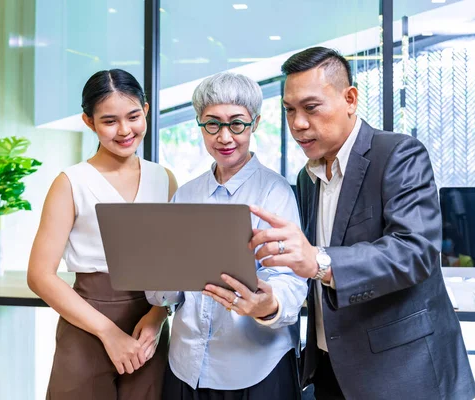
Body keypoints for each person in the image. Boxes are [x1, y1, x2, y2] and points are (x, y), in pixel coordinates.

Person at [249, 47, 475, 400]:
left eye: (311, 108)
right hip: (330, 369)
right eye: (289, 110)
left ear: (350, 99)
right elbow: (309, 268)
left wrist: (319, 262)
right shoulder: (306, 178)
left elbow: (414, 252)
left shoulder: (398, 154)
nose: (297, 124)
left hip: (403, 372)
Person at [146, 72, 307, 400]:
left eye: (236, 123)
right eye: (212, 124)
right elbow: (173, 291)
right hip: (186, 365)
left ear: (255, 124)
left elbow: (291, 281)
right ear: (199, 125)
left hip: (256, 367)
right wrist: (158, 276)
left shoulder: (275, 193)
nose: (224, 137)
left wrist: (268, 303)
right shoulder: (186, 195)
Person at [27, 69, 177, 400]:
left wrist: (156, 317)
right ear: (88, 121)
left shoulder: (164, 178)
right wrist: (108, 332)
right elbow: (39, 275)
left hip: (147, 331)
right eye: (109, 121)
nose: (125, 130)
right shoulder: (71, 182)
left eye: (134, 116)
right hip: (86, 326)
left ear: (146, 111)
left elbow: (172, 266)